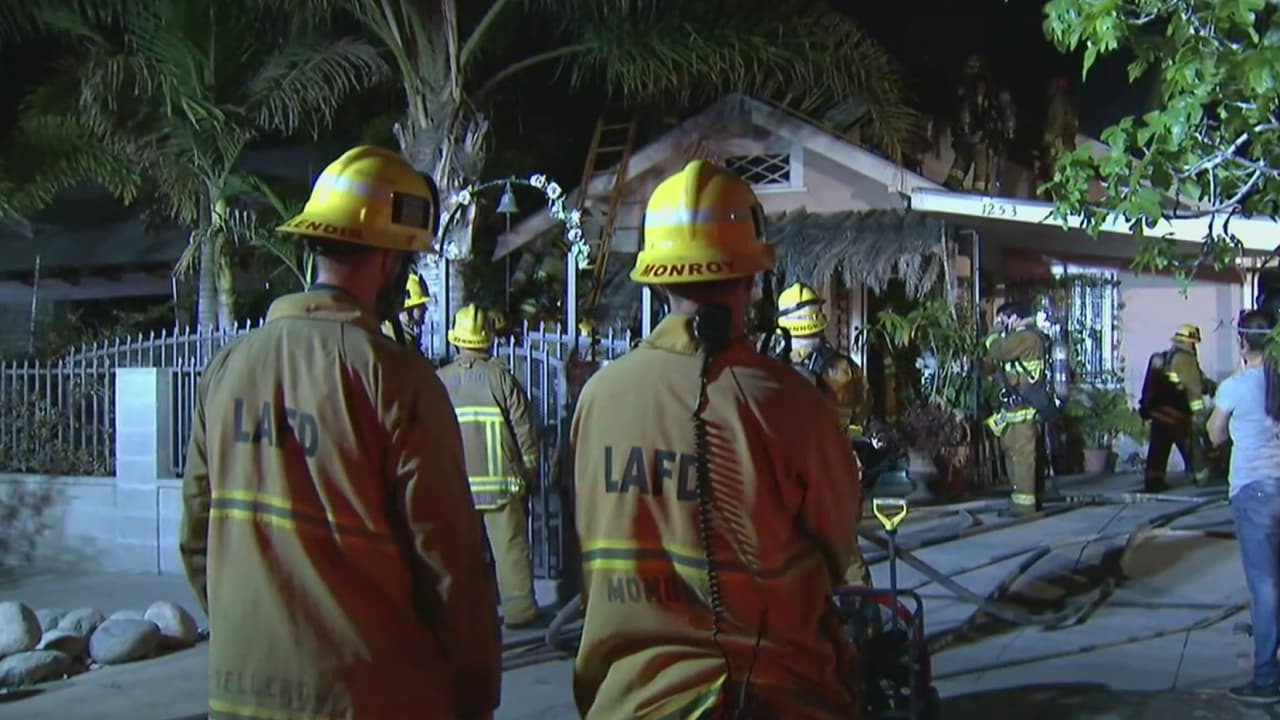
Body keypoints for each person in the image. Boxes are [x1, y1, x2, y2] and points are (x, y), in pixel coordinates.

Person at [178, 145, 500, 720]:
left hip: (239, 692)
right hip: (365, 696)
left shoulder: (226, 369)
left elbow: (197, 536)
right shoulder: (394, 378)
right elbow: (447, 560)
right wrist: (473, 690)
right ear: (390, 262)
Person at [570, 159, 863, 719]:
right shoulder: (793, 404)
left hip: (632, 703)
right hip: (776, 695)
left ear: (655, 277)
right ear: (752, 279)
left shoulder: (598, 400)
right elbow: (836, 543)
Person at [437, 304, 542, 629]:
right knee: (509, 550)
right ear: (488, 339)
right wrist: (529, 467)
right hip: (501, 484)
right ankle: (519, 610)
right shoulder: (501, 377)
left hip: (456, 488)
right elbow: (524, 427)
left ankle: (457, 614)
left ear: (456, 340)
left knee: (457, 554)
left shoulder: (440, 381)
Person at [776, 280, 873, 587]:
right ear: (821, 320)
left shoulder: (770, 369)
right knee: (845, 550)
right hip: (839, 468)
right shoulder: (847, 369)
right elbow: (865, 410)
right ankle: (863, 621)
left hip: (787, 475)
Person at [1206, 309, 1280, 705]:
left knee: (1266, 588)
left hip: (1255, 491)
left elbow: (1215, 435)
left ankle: (1267, 678)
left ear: (1241, 342)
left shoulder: (1236, 386)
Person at [984, 300, 1050, 516]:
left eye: (1003, 320)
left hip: (1024, 409)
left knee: (1023, 457)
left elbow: (999, 350)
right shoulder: (1021, 337)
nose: (1003, 325)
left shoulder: (1027, 337)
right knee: (1013, 453)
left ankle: (1025, 506)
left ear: (1013, 318)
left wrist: (993, 331)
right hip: (1014, 409)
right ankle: (1020, 500)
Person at [1139, 324, 1209, 490]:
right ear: (1189, 342)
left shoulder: (1163, 357)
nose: (1194, 347)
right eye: (1193, 343)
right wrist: (1199, 413)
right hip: (1177, 415)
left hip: (1158, 413)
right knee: (1190, 447)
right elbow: (1193, 388)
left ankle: (1153, 482)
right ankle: (1200, 477)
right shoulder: (1186, 359)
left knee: (1157, 450)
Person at [381, 272, 430, 352]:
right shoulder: (398, 342)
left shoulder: (402, 336)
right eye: (420, 305)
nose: (425, 309)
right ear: (408, 310)